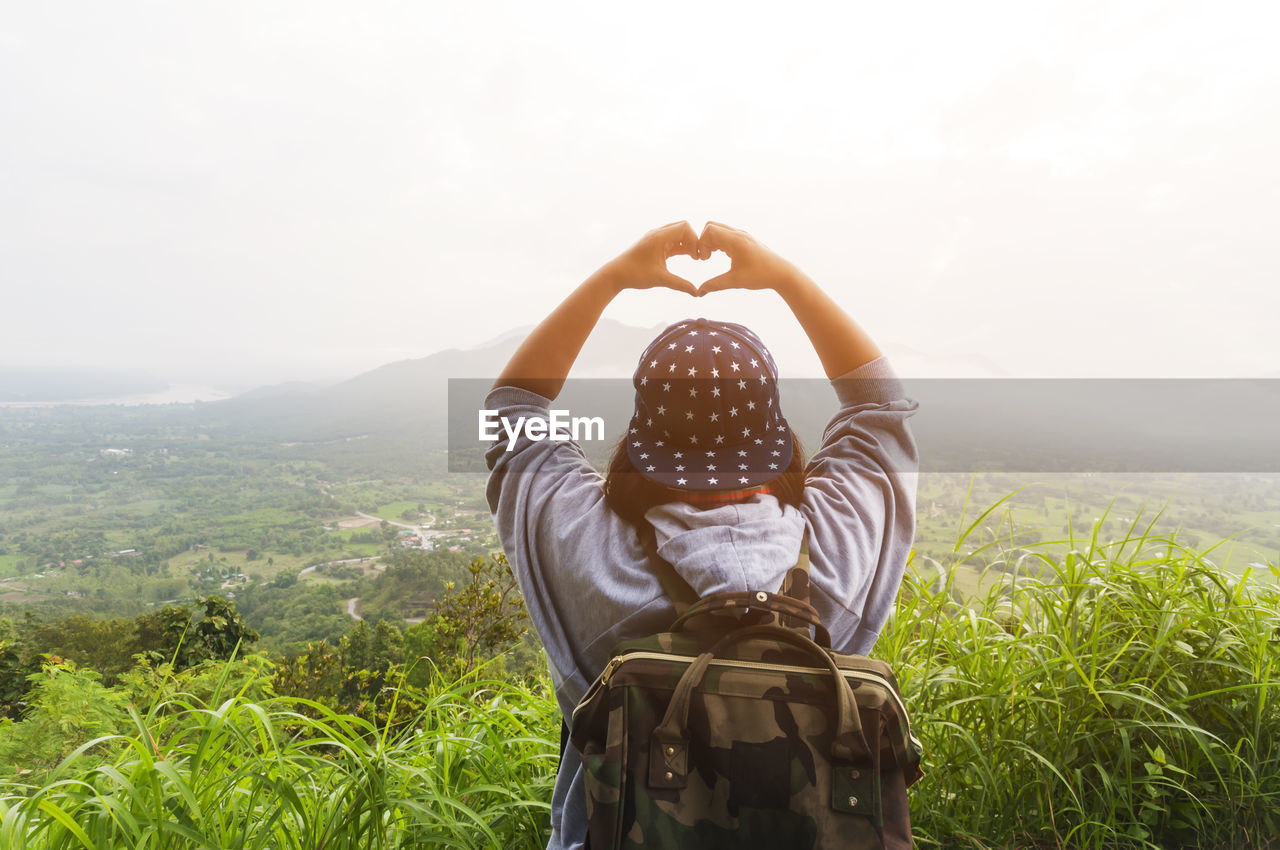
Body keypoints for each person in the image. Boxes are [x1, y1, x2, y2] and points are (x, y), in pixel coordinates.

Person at [484, 220, 919, 850]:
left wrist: (615, 276)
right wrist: (782, 278)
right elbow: (880, 407)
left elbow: (512, 411)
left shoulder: (594, 562)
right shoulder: (836, 561)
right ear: (776, 441)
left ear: (642, 446)